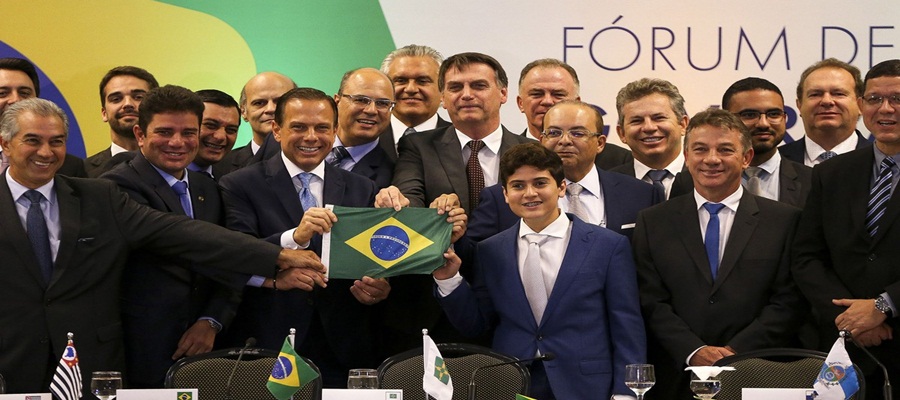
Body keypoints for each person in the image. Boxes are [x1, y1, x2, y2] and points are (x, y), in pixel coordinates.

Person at [0, 97, 326, 395]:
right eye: (33, 140)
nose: (46, 152)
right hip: (10, 360)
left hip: (86, 366)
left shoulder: (98, 198)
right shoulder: (116, 182)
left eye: (56, 141)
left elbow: (183, 234)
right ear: (5, 143)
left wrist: (276, 255)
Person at [434, 141, 646, 400]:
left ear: (561, 187)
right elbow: (476, 325)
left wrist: (626, 392)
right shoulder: (490, 250)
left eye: (540, 183)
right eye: (518, 186)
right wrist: (448, 279)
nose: (530, 193)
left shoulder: (608, 246)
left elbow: (627, 325)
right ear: (505, 194)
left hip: (586, 385)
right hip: (511, 381)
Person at [218, 87, 391, 387]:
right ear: (277, 130)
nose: (311, 137)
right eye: (298, 127)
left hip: (343, 347)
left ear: (334, 131)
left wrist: (381, 285)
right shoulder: (239, 184)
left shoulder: (363, 187)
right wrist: (294, 237)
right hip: (268, 343)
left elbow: (372, 257)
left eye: (322, 128)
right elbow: (235, 253)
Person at [634, 108, 804, 399]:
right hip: (676, 375)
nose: (711, 159)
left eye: (725, 149)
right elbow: (650, 299)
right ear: (686, 156)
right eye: (700, 149)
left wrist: (735, 352)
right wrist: (694, 350)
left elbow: (789, 300)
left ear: (746, 158)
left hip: (758, 371)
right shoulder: (653, 221)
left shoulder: (784, 220)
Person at [100, 85, 242, 387]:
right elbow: (194, 243)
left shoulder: (209, 188)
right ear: (140, 134)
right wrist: (277, 255)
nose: (177, 142)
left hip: (207, 351)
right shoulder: (115, 186)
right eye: (165, 132)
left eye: (188, 133)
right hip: (137, 352)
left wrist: (211, 321)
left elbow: (228, 267)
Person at [792, 59, 900, 399]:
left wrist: (883, 306)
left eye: (898, 98)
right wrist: (851, 318)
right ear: (861, 105)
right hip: (844, 353)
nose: (885, 109)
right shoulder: (832, 172)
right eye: (874, 99)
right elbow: (807, 256)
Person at [466, 100, 658, 246]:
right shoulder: (500, 198)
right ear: (541, 140)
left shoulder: (641, 194)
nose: (564, 140)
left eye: (578, 133)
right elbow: (477, 260)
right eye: (554, 133)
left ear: (600, 143)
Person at [381, 52, 532, 214]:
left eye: (479, 86)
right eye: (455, 87)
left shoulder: (531, 149)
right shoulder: (418, 146)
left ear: (503, 94)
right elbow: (408, 201)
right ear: (442, 98)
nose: (466, 95)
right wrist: (434, 215)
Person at [515, 58, 632, 170]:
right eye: (536, 94)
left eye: (558, 94)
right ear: (520, 103)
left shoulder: (619, 160)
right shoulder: (506, 155)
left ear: (577, 102)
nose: (547, 101)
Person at [720, 77, 811, 207]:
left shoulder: (811, 181)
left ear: (784, 118)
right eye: (749, 115)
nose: (763, 124)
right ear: (726, 120)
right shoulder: (697, 180)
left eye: (773, 114)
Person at [0, 57, 86, 177]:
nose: (16, 100)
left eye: (24, 93)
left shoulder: (70, 166)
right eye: (2, 93)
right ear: (4, 144)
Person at [611, 78, 692, 199]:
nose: (649, 127)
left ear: (683, 124)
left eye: (659, 118)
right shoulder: (605, 186)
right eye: (636, 121)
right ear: (621, 133)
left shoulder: (709, 177)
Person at [779, 58, 870, 166]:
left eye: (838, 93)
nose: (827, 101)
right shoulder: (776, 160)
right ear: (799, 105)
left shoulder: (881, 160)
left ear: (860, 105)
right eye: (815, 94)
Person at [377, 44, 451, 162]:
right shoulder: (365, 137)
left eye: (422, 81)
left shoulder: (462, 139)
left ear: (442, 90)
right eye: (401, 80)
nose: (411, 89)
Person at [84, 66, 159, 177]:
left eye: (138, 97)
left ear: (157, 108)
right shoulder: (82, 172)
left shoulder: (177, 164)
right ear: (104, 113)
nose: (128, 104)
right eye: (116, 99)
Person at [218, 71, 296, 174]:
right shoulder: (219, 166)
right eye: (259, 103)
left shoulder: (315, 160)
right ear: (243, 111)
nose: (271, 109)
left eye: (280, 102)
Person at [329, 68, 395, 188]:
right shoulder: (305, 147)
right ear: (337, 102)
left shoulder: (393, 178)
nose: (371, 110)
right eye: (361, 100)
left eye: (382, 103)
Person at [188, 89, 241, 180]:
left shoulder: (231, 180)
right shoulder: (164, 176)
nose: (220, 136)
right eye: (211, 125)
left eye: (231, 130)